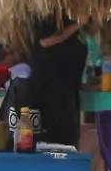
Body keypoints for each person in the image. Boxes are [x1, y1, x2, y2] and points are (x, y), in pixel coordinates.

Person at [27, 13, 88, 147]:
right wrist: (79, 23)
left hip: (69, 89)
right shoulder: (48, 15)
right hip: (49, 89)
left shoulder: (73, 20)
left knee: (69, 136)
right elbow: (47, 41)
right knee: (51, 137)